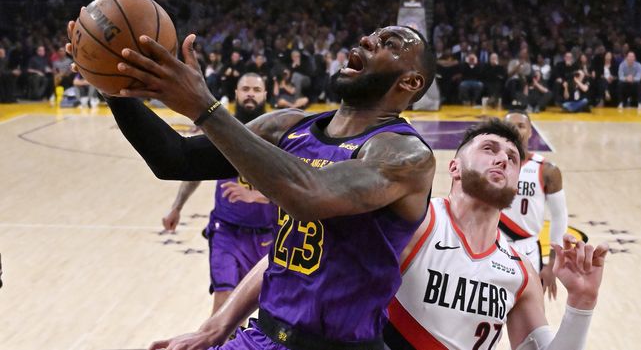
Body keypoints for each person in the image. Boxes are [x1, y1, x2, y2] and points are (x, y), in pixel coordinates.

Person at [66, 23, 437, 350]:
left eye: (387, 43)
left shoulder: (405, 154)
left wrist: (205, 108)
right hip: (263, 336)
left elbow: (310, 194)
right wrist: (110, 86)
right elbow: (176, 158)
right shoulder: (287, 126)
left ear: (410, 82)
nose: (368, 40)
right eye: (372, 34)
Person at [384, 119, 608, 350]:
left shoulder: (522, 273)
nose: (502, 160)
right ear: (455, 167)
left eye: (512, 159)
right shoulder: (415, 224)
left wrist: (582, 302)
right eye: (489, 149)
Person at [161, 73, 276, 315]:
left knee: (261, 312)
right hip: (226, 231)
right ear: (236, 93)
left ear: (266, 95)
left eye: (256, 90)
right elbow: (197, 170)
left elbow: (300, 183)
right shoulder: (222, 129)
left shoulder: (280, 134)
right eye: (245, 89)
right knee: (224, 305)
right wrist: (177, 206)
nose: (250, 94)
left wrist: (258, 195)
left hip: (267, 235)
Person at [502, 111, 568, 299]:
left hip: (529, 250)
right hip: (494, 248)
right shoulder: (490, 165)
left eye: (521, 125)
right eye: (510, 125)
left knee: (528, 320)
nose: (515, 129)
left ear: (531, 131)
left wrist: (552, 263)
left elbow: (559, 216)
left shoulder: (547, 170)